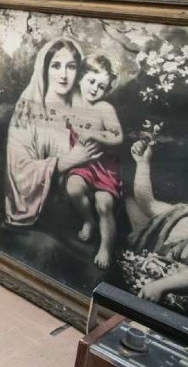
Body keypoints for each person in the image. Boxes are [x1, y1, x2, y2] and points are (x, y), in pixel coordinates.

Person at [5, 38, 102, 227]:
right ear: (44, 69)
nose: (64, 75)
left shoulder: (84, 108)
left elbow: (96, 159)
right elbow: (19, 172)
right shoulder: (27, 111)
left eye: (71, 67)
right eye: (56, 66)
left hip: (79, 202)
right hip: (39, 207)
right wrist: (65, 162)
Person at [65, 54, 123, 269]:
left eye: (101, 86)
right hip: (82, 163)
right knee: (73, 189)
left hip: (104, 165)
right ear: (80, 77)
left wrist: (98, 135)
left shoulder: (104, 108)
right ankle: (88, 219)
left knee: (104, 204)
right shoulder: (71, 102)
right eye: (91, 81)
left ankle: (106, 246)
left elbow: (118, 137)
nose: (94, 89)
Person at [125, 140, 188, 306]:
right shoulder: (182, 213)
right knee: (129, 202)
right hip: (138, 282)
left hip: (169, 308)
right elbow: (149, 204)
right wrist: (142, 164)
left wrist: (161, 285)